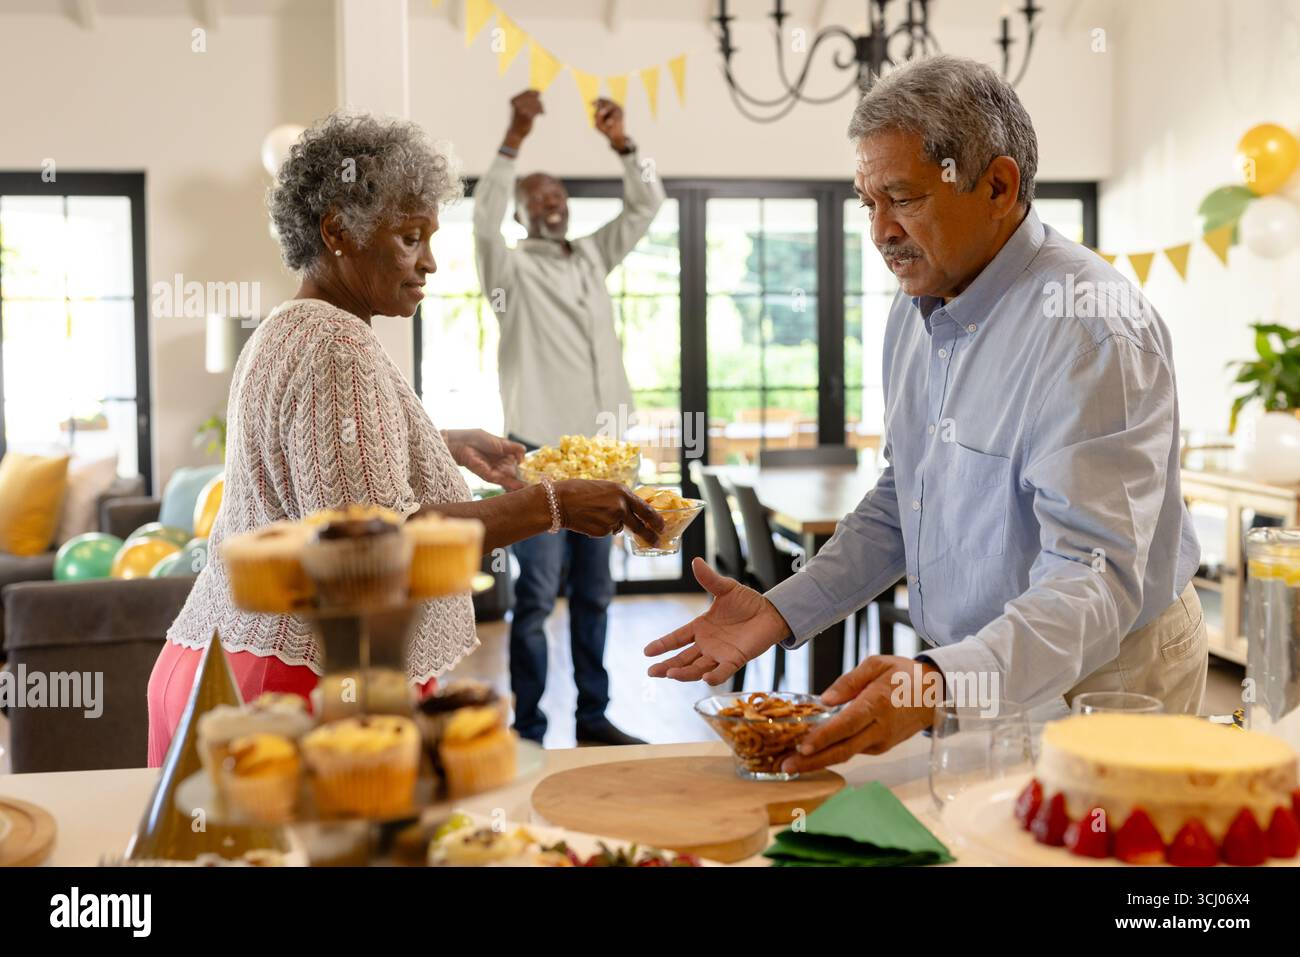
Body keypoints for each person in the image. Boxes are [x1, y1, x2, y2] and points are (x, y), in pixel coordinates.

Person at [645, 55, 1205, 772]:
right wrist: (785, 608)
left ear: (998, 185)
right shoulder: (914, 310)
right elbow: (903, 502)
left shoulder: (1093, 329)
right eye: (866, 202)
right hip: (972, 670)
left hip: (1107, 681)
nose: (879, 230)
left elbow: (1093, 578)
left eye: (903, 198)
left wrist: (941, 680)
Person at [148, 111, 663, 765]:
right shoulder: (338, 344)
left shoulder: (292, 325)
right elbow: (380, 545)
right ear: (337, 230)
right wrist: (552, 506)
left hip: (227, 663)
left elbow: (318, 461)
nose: (431, 263)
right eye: (410, 238)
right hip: (289, 687)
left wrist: (437, 440)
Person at [474, 89, 666, 746]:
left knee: (596, 592)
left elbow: (648, 204)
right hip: (540, 456)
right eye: (537, 198)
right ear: (523, 212)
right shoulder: (508, 270)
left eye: (557, 195)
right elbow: (481, 219)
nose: (551, 203)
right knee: (535, 597)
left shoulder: (590, 255)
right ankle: (527, 728)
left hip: (604, 456)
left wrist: (624, 145)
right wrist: (513, 136)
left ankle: (592, 716)